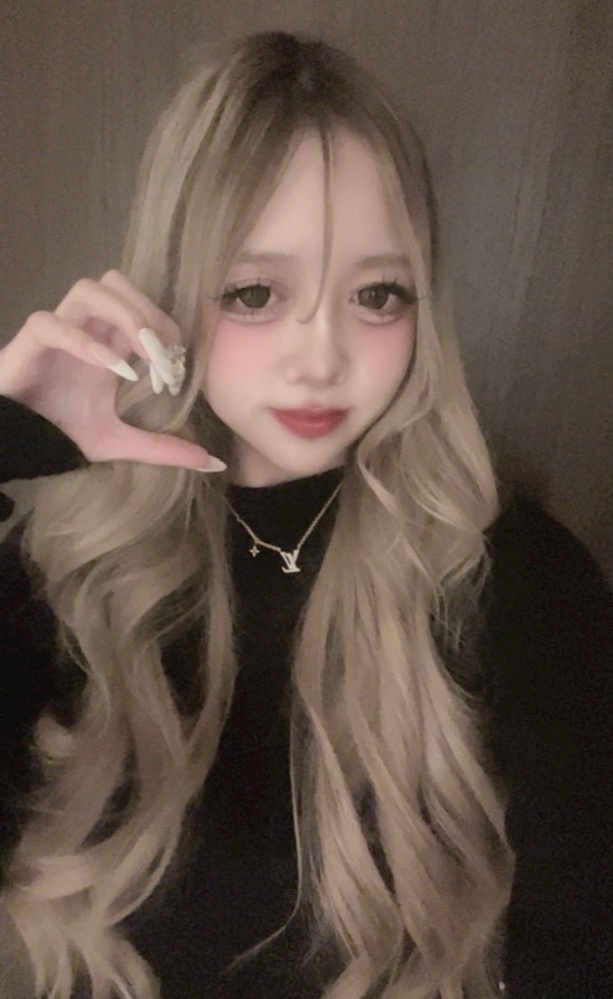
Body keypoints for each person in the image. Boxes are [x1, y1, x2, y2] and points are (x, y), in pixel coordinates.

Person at [0, 30, 611, 999]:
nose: (321, 356)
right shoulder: (61, 574)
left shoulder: (516, 581)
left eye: (377, 294)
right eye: (254, 293)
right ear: (169, 295)